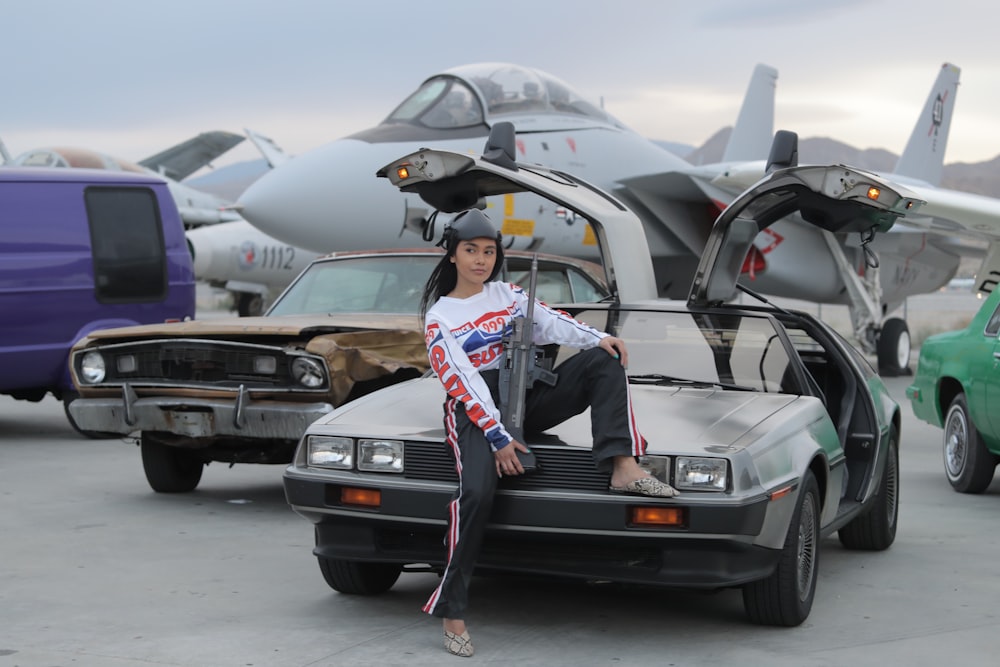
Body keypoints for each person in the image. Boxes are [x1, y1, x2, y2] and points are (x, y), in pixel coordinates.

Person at [418, 208, 678, 657]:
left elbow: (550, 320)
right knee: (478, 495)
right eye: (470, 251)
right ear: (453, 256)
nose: (481, 260)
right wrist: (499, 437)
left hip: (525, 394)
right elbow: (462, 381)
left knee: (606, 360)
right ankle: (452, 607)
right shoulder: (441, 316)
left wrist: (597, 338)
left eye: (488, 251)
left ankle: (623, 465)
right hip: (476, 410)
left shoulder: (507, 293)